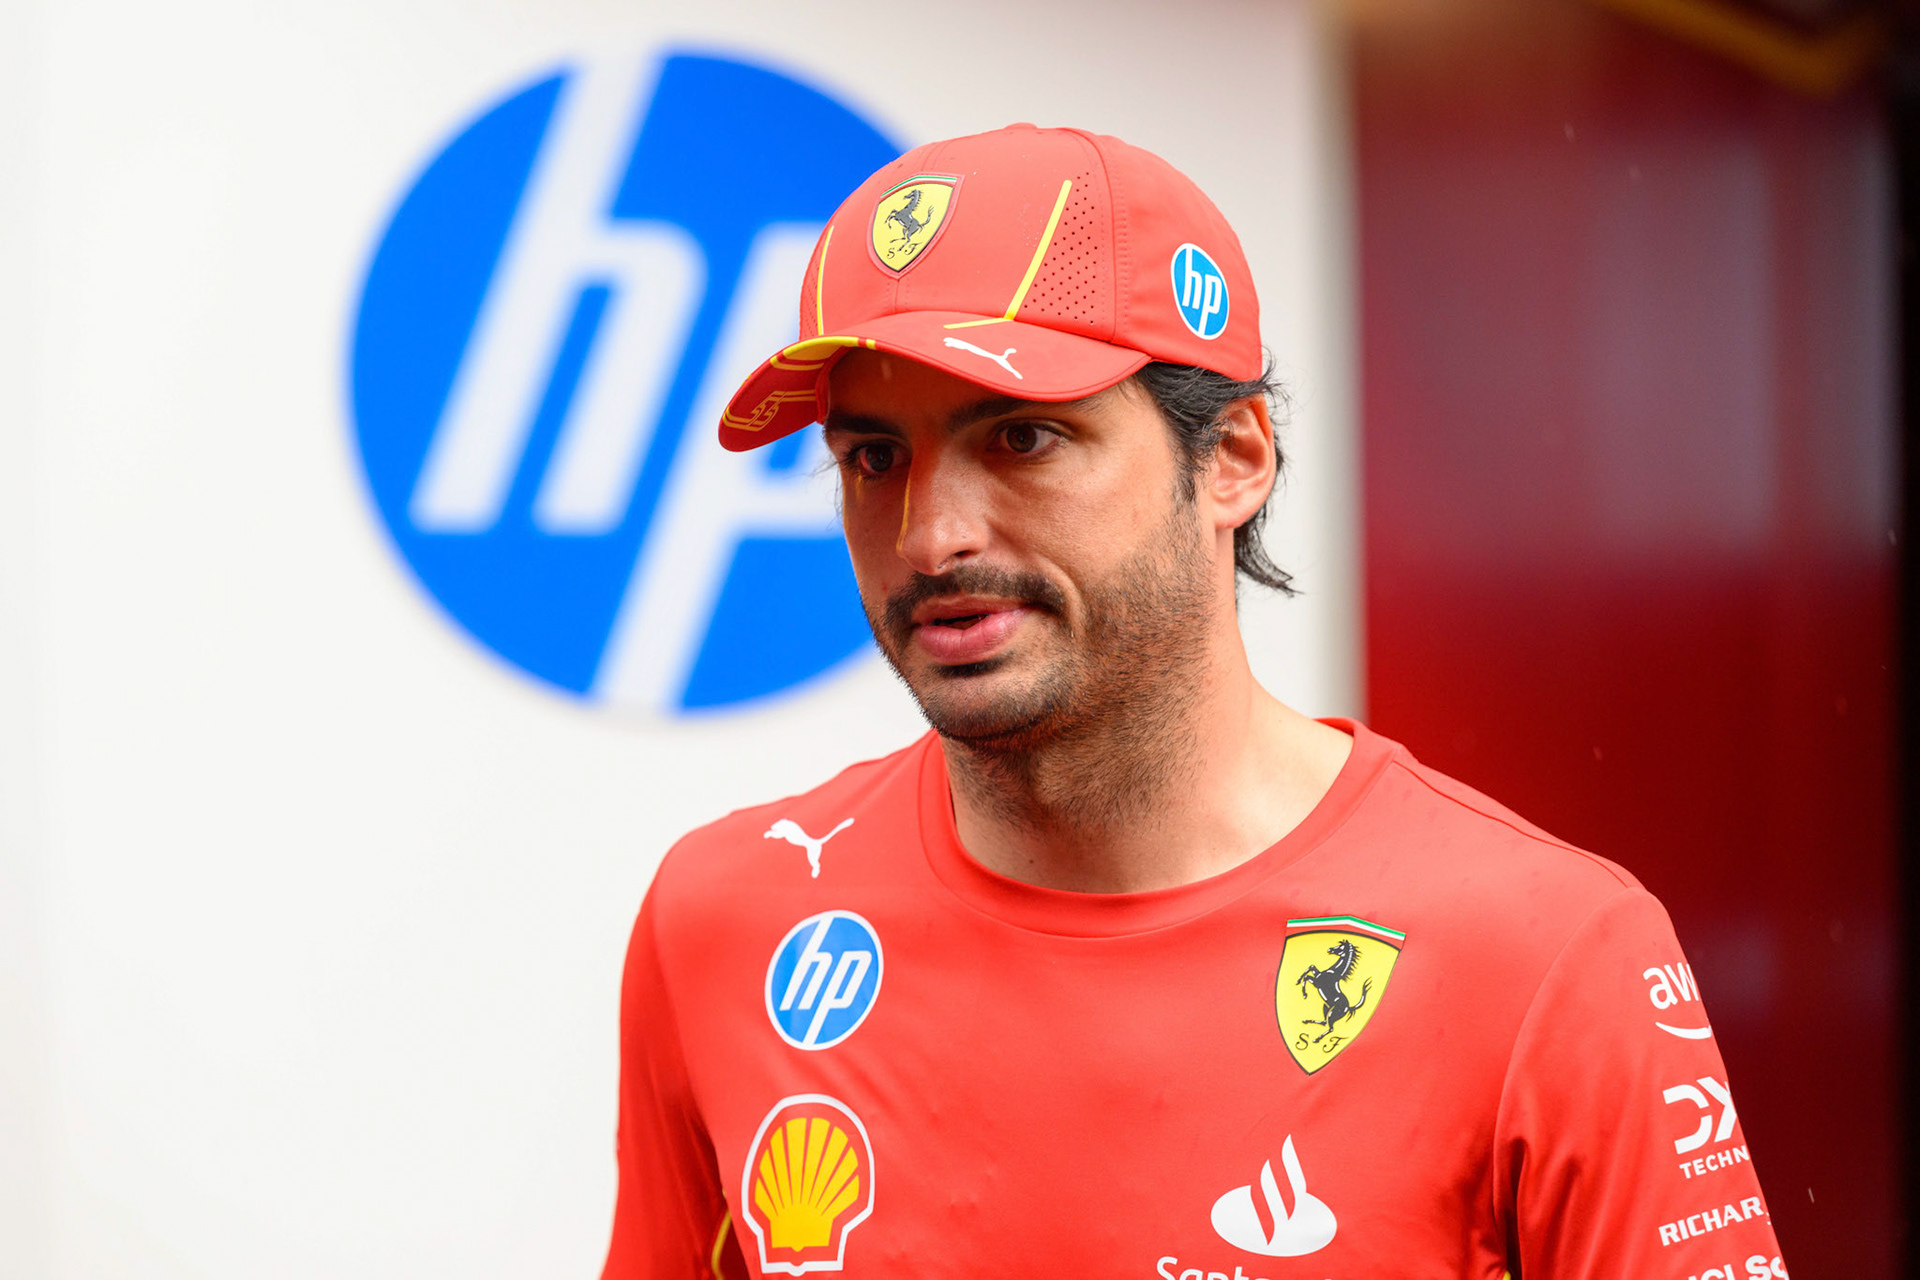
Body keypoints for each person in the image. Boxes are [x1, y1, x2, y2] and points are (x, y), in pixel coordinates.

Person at [600, 124, 1785, 1280]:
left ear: (1233, 458)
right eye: (873, 458)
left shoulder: (1548, 955)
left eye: (1021, 436)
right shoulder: (724, 921)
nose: (931, 535)